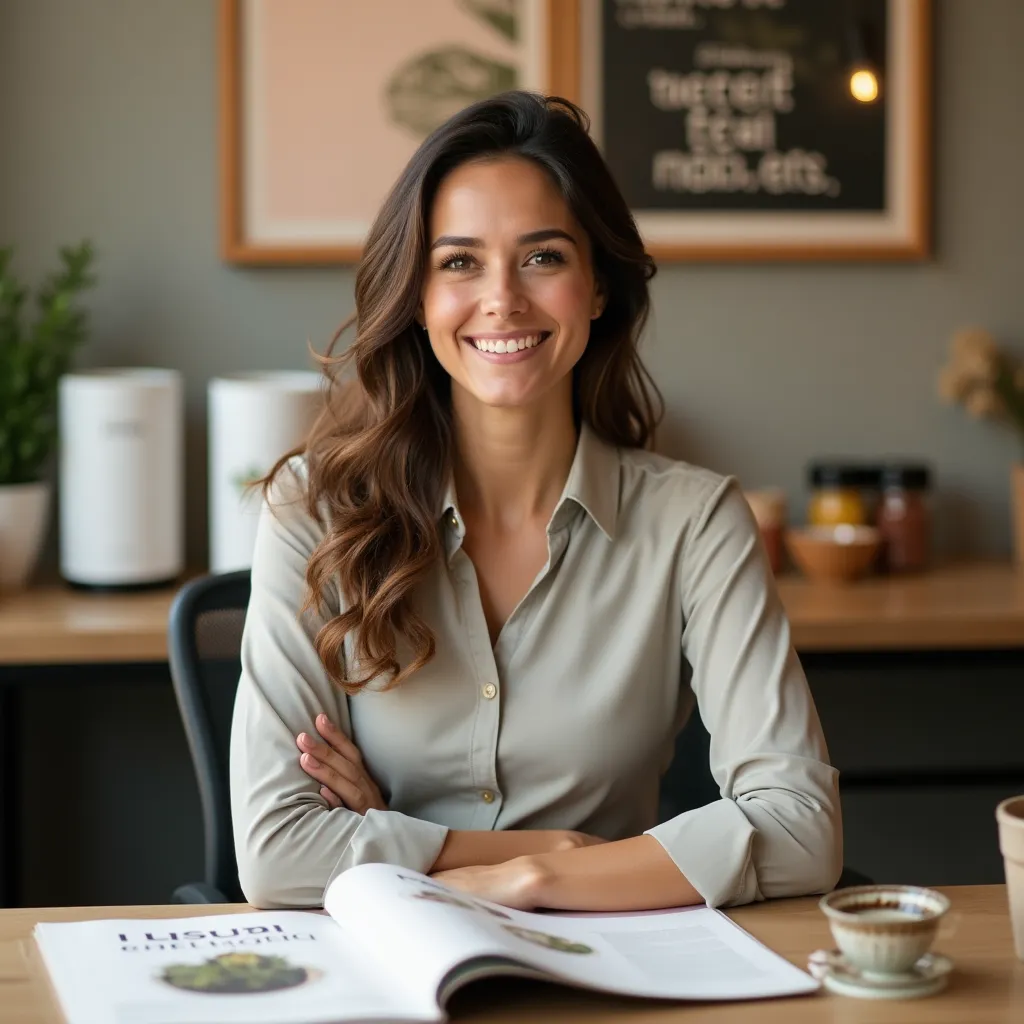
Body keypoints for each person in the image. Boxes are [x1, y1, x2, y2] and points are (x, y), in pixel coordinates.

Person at [229, 91, 841, 912]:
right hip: (388, 969)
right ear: (416, 296)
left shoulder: (696, 524)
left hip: (614, 966)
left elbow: (803, 828)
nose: (503, 299)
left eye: (543, 257)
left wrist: (515, 874)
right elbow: (275, 851)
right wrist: (561, 848)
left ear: (596, 287)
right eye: (458, 262)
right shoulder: (314, 510)